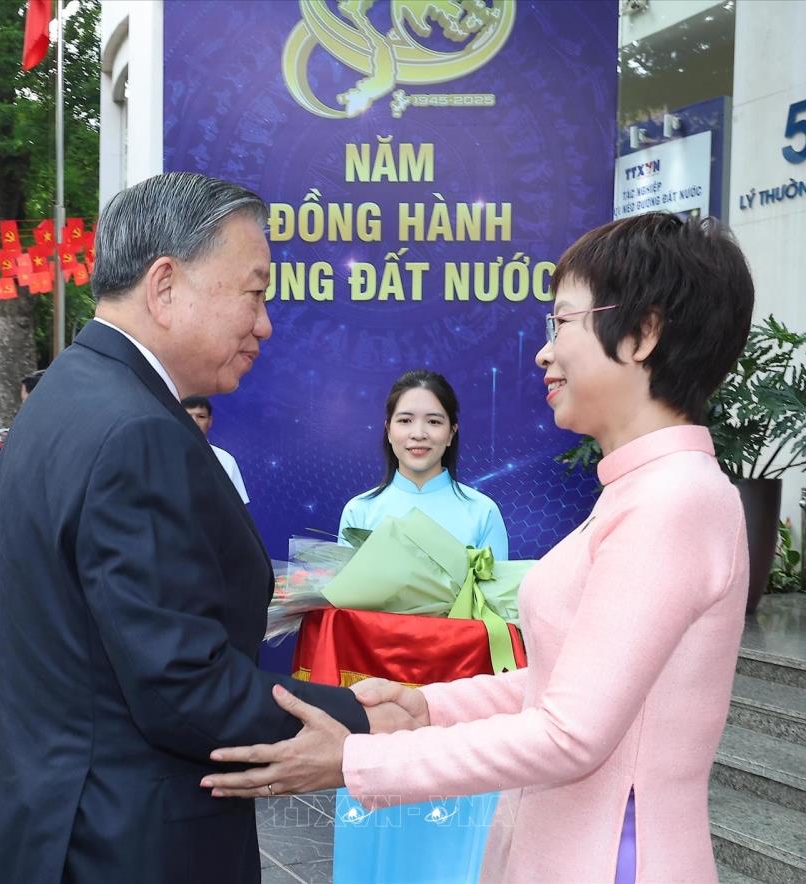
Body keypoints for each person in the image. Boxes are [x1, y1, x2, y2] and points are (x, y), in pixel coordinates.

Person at [203, 212, 756, 884]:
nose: (544, 353)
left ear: (643, 334)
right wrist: (429, 707)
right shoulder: (640, 490)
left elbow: (570, 732)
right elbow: (561, 683)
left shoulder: (672, 500)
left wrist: (356, 761)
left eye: (562, 322)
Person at [0, 173, 386, 884]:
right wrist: (366, 718)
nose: (265, 323)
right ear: (165, 285)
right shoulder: (137, 432)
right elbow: (182, 688)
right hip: (129, 843)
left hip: (62, 823)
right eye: (255, 293)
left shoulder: (67, 395)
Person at [338, 369, 507, 558]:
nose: (418, 434)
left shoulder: (483, 512)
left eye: (433, 422)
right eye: (405, 420)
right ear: (388, 430)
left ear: (451, 433)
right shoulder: (359, 511)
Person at [181, 395, 250, 503]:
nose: (194, 421)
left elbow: (238, 506)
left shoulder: (225, 459)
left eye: (201, 416)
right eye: (187, 416)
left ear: (210, 421)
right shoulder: (162, 455)